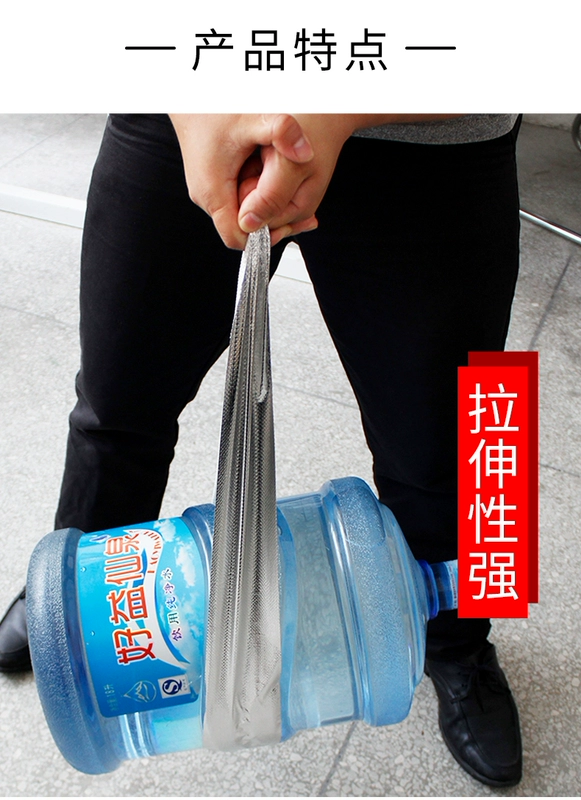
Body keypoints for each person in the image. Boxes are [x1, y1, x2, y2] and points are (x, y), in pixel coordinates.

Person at [0, 113, 523, 787]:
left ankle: (461, 641)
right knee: (117, 402)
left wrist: (333, 117)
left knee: (466, 439)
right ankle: (78, 601)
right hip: (197, 108)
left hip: (432, 134)